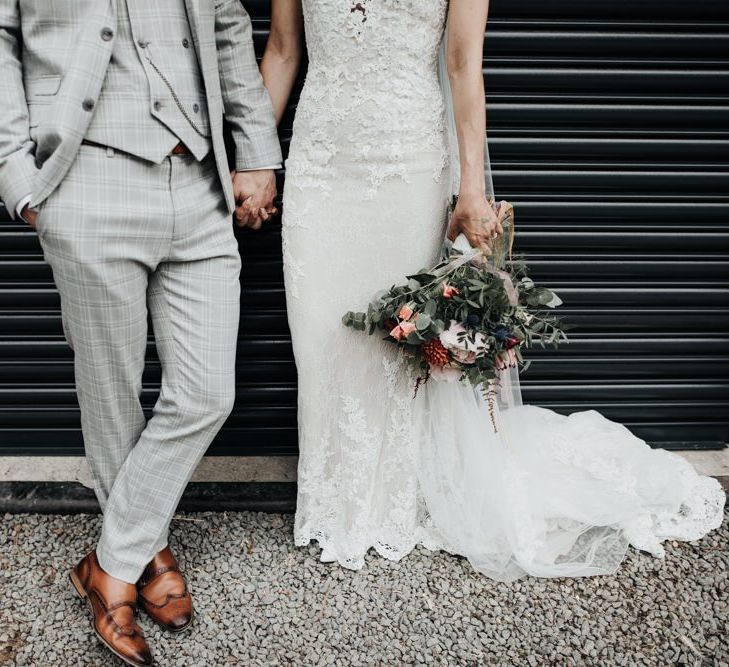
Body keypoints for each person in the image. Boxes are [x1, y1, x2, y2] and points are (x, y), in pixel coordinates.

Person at [261, 0, 725, 581]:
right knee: (322, 330)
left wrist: (472, 189)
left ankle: (395, 503)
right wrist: (254, 161)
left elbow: (461, 64)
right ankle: (335, 502)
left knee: (398, 341)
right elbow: (282, 50)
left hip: (409, 156)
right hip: (321, 161)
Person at [0, 1, 281, 664]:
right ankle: (147, 554)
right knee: (111, 390)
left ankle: (111, 561)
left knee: (207, 391)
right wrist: (20, 180)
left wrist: (256, 154)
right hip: (85, 177)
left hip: (200, 181)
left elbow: (228, 27)